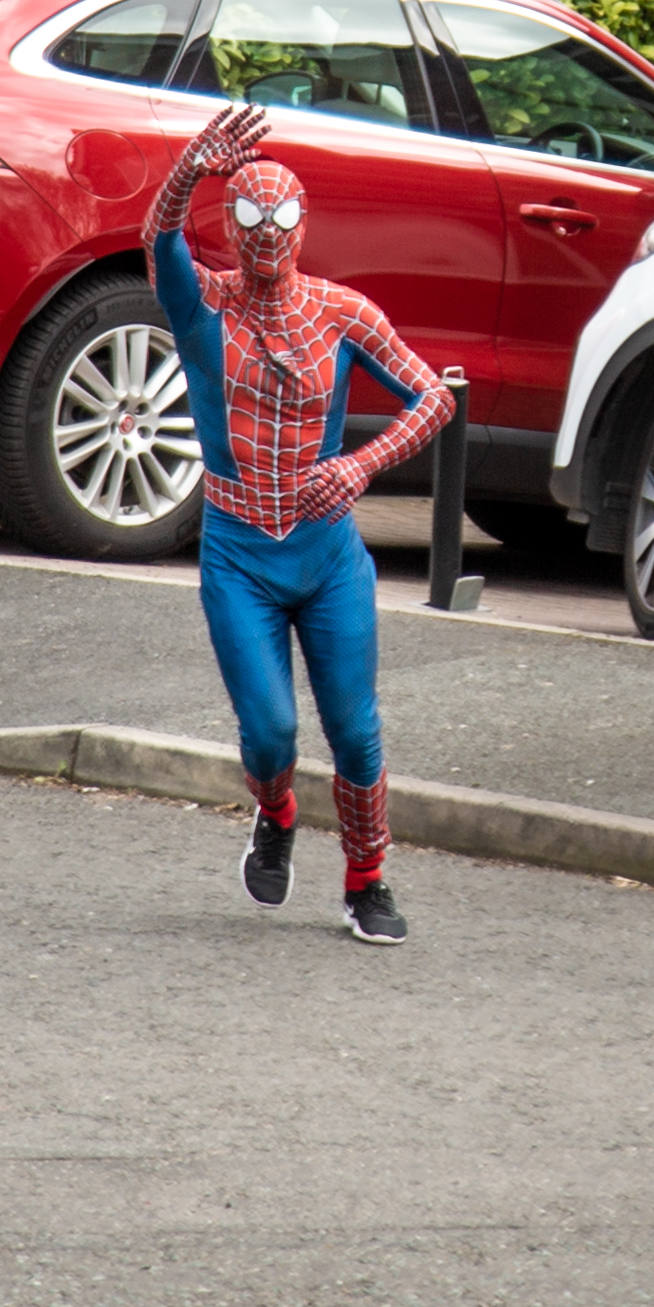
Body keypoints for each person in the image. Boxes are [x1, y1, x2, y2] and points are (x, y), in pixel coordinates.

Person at [144, 100, 455, 944]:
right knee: (272, 729)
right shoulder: (203, 305)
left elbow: (432, 397)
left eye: (281, 215)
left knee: (354, 729)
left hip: (326, 555)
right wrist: (187, 171)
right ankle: (275, 810)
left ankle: (366, 880)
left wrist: (359, 464)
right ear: (230, 221)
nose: (267, 232)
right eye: (248, 213)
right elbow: (158, 243)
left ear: (303, 222)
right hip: (238, 551)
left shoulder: (340, 311)